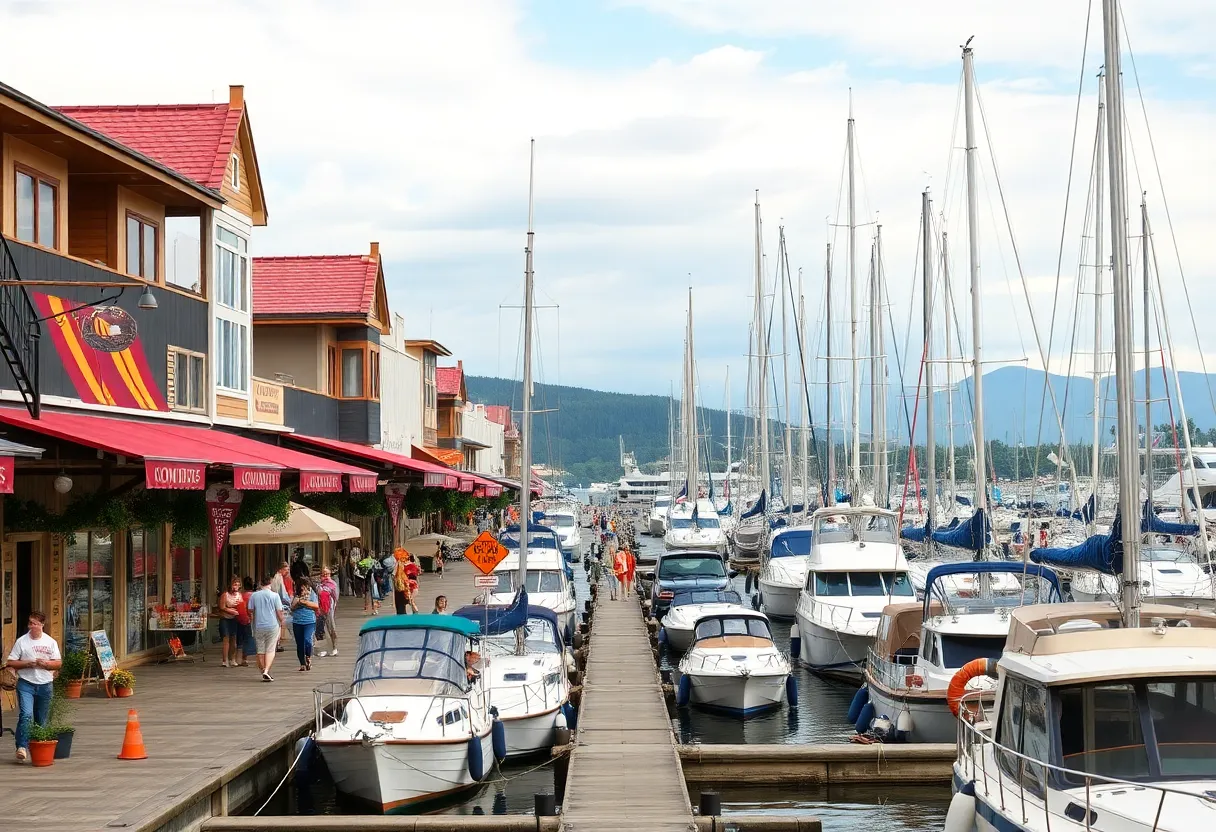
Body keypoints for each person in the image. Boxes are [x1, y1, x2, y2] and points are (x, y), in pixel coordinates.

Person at [6, 611, 61, 763]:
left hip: (45, 684)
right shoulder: (22, 641)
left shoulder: (50, 642)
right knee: (26, 715)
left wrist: (47, 664)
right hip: (26, 683)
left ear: (42, 625)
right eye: (30, 623)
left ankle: (37, 748)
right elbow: (11, 661)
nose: (32, 626)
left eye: (35, 623)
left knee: (41, 719)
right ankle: (22, 747)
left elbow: (58, 663)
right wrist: (27, 663)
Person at [249, 573, 285, 682]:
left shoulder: (254, 595)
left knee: (260, 650)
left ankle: (264, 671)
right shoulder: (275, 596)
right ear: (270, 583)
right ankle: (266, 670)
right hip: (272, 625)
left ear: (261, 584)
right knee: (270, 649)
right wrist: (282, 621)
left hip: (259, 625)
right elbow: (279, 612)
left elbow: (250, 610)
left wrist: (254, 617)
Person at [290, 577, 320, 672]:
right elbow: (292, 608)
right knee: (299, 643)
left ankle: (308, 656)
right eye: (302, 587)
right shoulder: (296, 596)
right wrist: (298, 602)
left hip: (309, 621)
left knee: (308, 640)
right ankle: (302, 663)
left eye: (306, 587)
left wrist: (305, 603)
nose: (304, 589)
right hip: (297, 621)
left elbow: (316, 606)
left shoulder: (312, 594)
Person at [218, 576, 243, 668]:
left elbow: (241, 605)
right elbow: (222, 607)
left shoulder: (239, 595)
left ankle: (232, 659)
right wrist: (230, 610)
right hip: (225, 619)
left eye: (238, 585)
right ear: (230, 585)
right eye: (234, 584)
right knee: (226, 639)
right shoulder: (225, 595)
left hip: (235, 619)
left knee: (234, 639)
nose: (236, 586)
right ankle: (225, 660)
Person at [315, 567, 340, 658]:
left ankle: (334, 647)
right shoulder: (319, 585)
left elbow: (336, 597)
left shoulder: (333, 584)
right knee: (320, 629)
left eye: (327, 574)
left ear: (330, 574)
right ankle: (322, 649)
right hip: (319, 609)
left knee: (331, 628)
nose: (325, 576)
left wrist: (333, 607)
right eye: (323, 574)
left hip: (329, 609)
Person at [239, 576, 257, 661]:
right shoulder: (255, 596)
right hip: (252, 618)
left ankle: (244, 658)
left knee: (244, 639)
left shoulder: (241, 596)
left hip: (242, 618)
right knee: (252, 637)